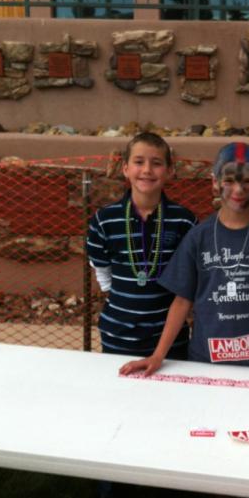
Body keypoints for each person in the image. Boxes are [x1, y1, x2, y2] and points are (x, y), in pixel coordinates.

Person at [119, 141, 249, 390]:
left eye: (247, 181)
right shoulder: (198, 237)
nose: (238, 189)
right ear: (214, 182)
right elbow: (182, 302)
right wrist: (158, 356)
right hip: (206, 363)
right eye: (229, 180)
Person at [87, 131, 197, 358]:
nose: (147, 170)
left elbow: (189, 278)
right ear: (125, 168)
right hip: (118, 335)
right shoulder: (104, 220)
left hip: (169, 340)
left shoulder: (184, 221)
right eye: (139, 162)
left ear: (169, 170)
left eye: (156, 163)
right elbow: (102, 272)